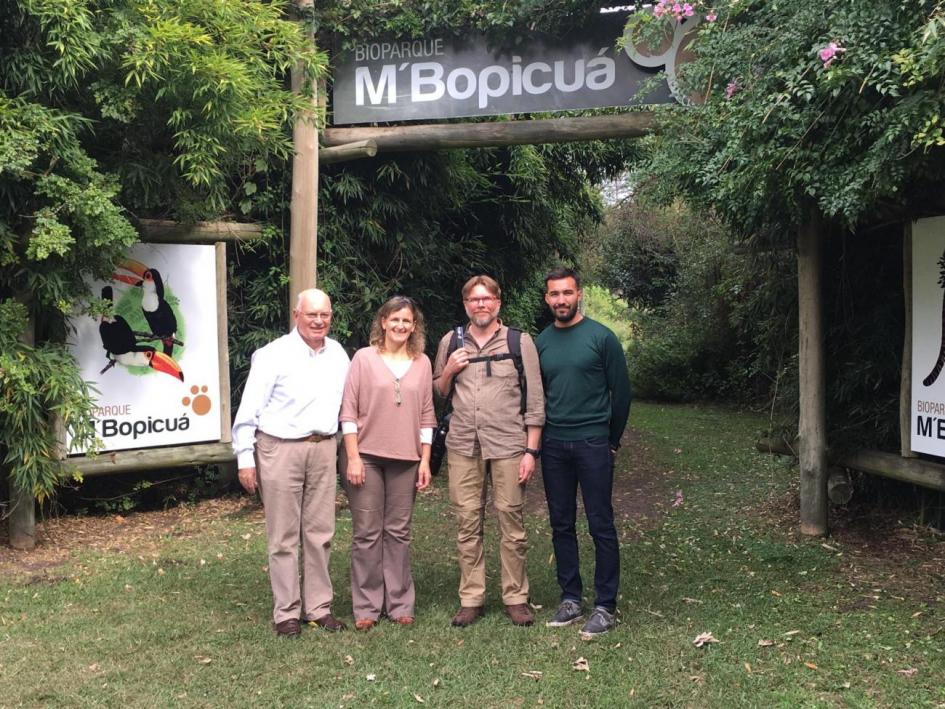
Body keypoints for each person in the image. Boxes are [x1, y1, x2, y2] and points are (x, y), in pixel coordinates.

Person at [232, 288, 350, 637]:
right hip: (280, 449)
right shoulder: (272, 355)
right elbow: (248, 410)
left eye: (324, 315)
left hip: (324, 448)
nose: (318, 321)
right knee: (283, 535)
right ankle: (286, 612)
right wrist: (244, 458)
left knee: (320, 532)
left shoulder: (338, 354)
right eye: (311, 314)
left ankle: (318, 607)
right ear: (296, 314)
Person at [433, 275, 545, 627]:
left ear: (498, 302)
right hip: (464, 445)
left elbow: (536, 400)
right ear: (465, 304)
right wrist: (449, 370)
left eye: (487, 299)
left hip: (509, 445)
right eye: (473, 299)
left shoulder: (518, 341)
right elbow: (438, 390)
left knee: (511, 521)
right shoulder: (451, 340)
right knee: (468, 523)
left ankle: (516, 597)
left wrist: (531, 451)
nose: (480, 305)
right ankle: (472, 598)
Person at [536, 267, 632, 638]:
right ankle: (571, 599)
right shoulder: (541, 341)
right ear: (547, 299)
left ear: (579, 295)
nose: (561, 300)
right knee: (561, 523)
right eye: (554, 294)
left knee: (600, 523)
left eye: (567, 293)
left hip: (593, 442)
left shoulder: (601, 338)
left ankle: (605, 605)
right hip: (554, 444)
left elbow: (621, 393)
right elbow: (537, 395)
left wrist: (611, 440)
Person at [340, 296, 436, 630]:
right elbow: (348, 412)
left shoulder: (422, 362)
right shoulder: (364, 358)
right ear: (383, 322)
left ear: (414, 326)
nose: (400, 326)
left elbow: (427, 415)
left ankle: (399, 602)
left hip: (407, 459)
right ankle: (366, 606)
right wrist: (352, 457)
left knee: (398, 532)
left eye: (406, 321)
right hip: (365, 456)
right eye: (394, 319)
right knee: (367, 533)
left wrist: (425, 461)